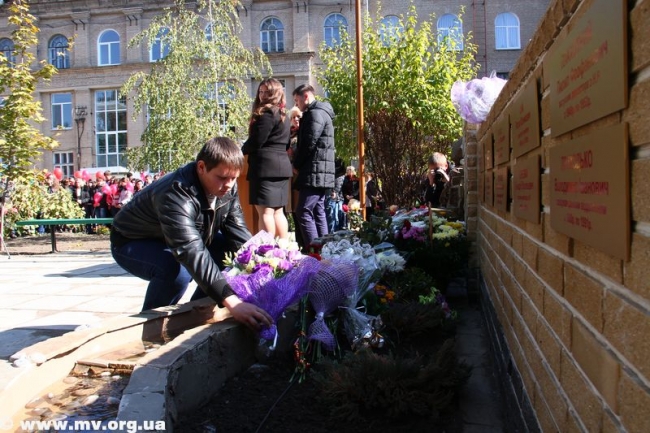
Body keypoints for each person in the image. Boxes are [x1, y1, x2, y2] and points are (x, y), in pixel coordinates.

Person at [110, 137, 273, 331]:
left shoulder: (228, 187)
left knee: (230, 254)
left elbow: (239, 236)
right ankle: (150, 328)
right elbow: (190, 251)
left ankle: (198, 314)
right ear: (201, 167)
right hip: (132, 241)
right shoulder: (175, 193)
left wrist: (271, 267)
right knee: (176, 271)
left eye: (233, 178)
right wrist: (233, 302)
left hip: (179, 237)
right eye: (222, 178)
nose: (229, 185)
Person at [242, 78, 292, 239]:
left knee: (265, 212)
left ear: (275, 93)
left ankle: (267, 250)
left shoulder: (267, 113)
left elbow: (256, 141)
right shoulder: (284, 115)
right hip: (282, 168)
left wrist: (240, 151)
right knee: (278, 211)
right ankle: (283, 249)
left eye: (267, 92)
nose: (262, 95)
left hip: (264, 169)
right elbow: (287, 144)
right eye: (261, 91)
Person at [291, 84, 336, 250]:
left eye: (297, 101)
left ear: (306, 96)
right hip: (320, 171)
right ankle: (325, 251)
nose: (296, 105)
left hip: (314, 171)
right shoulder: (322, 112)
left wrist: (296, 164)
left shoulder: (314, 114)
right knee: (318, 211)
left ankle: (315, 252)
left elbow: (308, 143)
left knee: (303, 211)